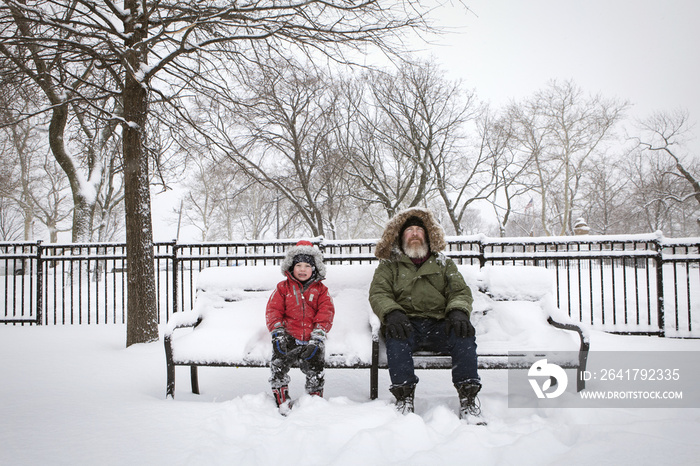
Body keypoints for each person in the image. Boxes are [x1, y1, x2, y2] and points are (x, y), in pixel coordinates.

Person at [368, 207, 482, 421]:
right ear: (401, 236)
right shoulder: (388, 266)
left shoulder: (443, 264)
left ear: (428, 235)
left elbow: (459, 291)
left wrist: (458, 311)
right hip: (406, 325)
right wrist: (392, 313)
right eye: (409, 230)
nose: (414, 233)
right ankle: (404, 398)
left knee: (463, 334)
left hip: (440, 325)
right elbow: (379, 293)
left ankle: (468, 398)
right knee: (396, 337)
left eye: (418, 230)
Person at [266, 240, 335, 411]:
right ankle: (281, 399)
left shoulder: (321, 290)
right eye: (298, 265)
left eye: (307, 265)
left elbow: (326, 312)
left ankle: (313, 400)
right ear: (291, 267)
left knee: (316, 366)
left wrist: (319, 334)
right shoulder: (283, 288)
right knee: (278, 363)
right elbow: (273, 310)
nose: (302, 269)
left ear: (315, 268)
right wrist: (277, 331)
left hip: (313, 338)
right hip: (288, 336)